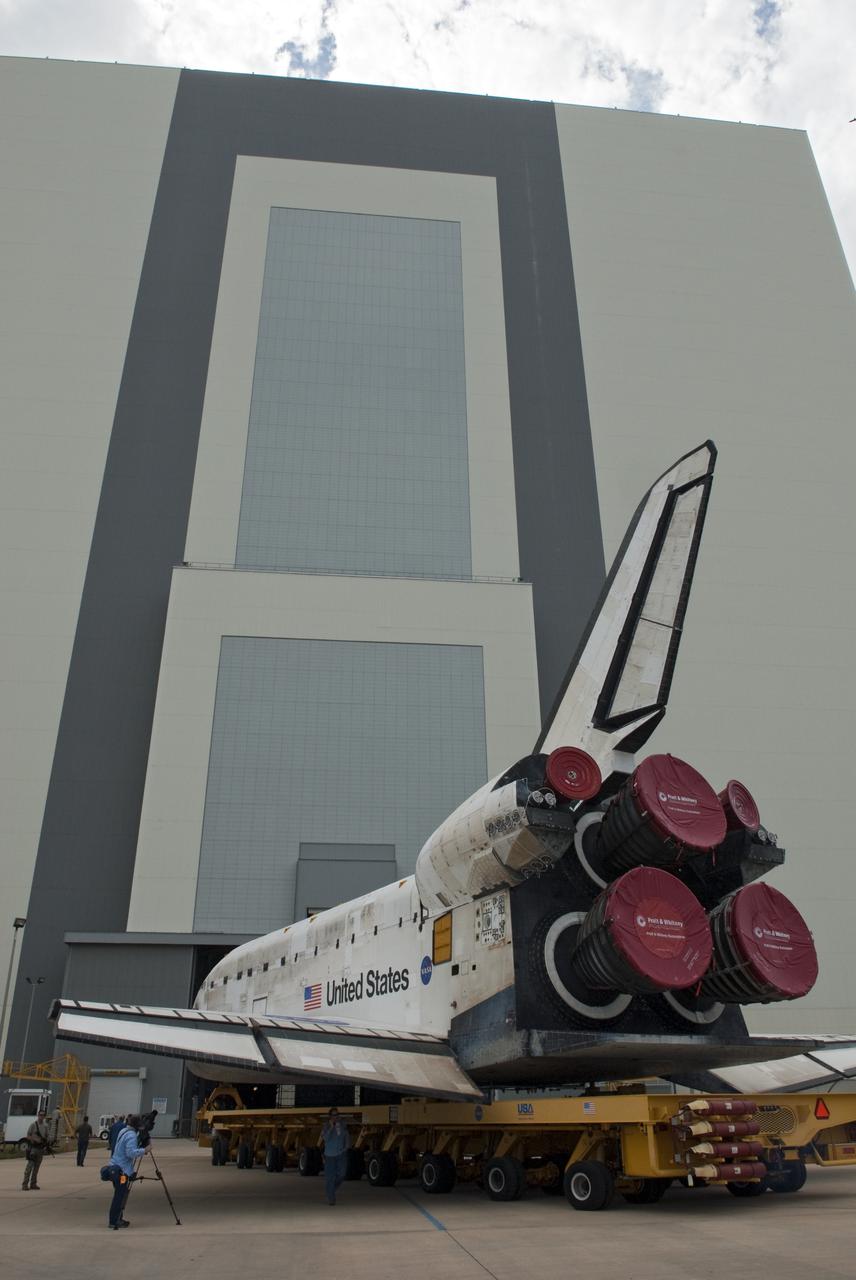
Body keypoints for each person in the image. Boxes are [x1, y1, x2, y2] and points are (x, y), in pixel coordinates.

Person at [106, 1113, 149, 1229]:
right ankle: (114, 1221)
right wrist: (144, 1150)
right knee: (120, 1195)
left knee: (120, 1194)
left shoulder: (123, 1131)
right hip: (122, 1172)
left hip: (115, 1167)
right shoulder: (131, 1135)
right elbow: (130, 1153)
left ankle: (118, 1218)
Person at [320, 1107, 350, 1205]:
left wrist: (346, 1146)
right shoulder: (326, 1126)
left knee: (342, 1174)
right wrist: (331, 1127)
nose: (336, 1117)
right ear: (330, 1116)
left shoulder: (342, 1124)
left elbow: (346, 1135)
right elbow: (325, 1138)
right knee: (330, 1178)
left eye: (337, 1115)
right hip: (329, 1155)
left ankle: (331, 1190)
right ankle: (331, 1198)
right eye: (333, 1115)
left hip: (341, 1154)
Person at [22, 1108, 52, 1191]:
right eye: (40, 1115)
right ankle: (25, 1184)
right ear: (38, 1115)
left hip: (40, 1149)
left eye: (43, 1115)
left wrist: (47, 1143)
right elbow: (28, 1135)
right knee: (29, 1167)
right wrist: (33, 1139)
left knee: (36, 1168)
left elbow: (48, 1136)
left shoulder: (46, 1126)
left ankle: (33, 1184)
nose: (41, 1116)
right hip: (33, 1148)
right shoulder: (33, 1125)